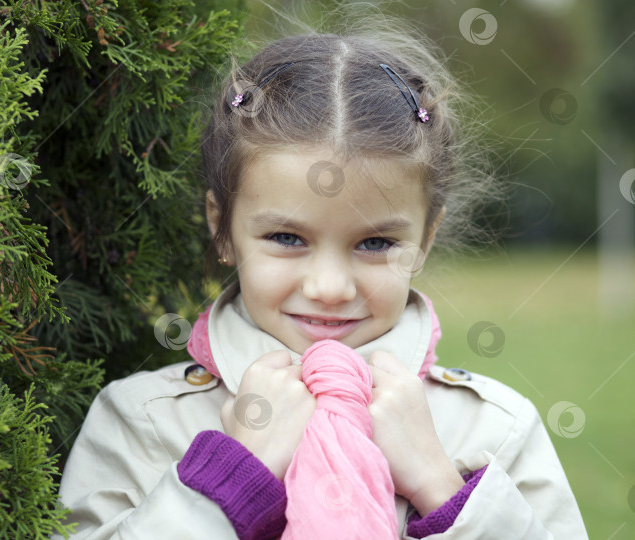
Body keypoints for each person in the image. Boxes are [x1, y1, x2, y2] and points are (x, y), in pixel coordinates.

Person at [54, 25, 588, 540]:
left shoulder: (496, 429)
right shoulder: (141, 421)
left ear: (425, 240)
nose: (330, 287)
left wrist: (443, 490)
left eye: (376, 244)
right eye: (287, 237)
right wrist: (227, 481)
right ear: (222, 227)